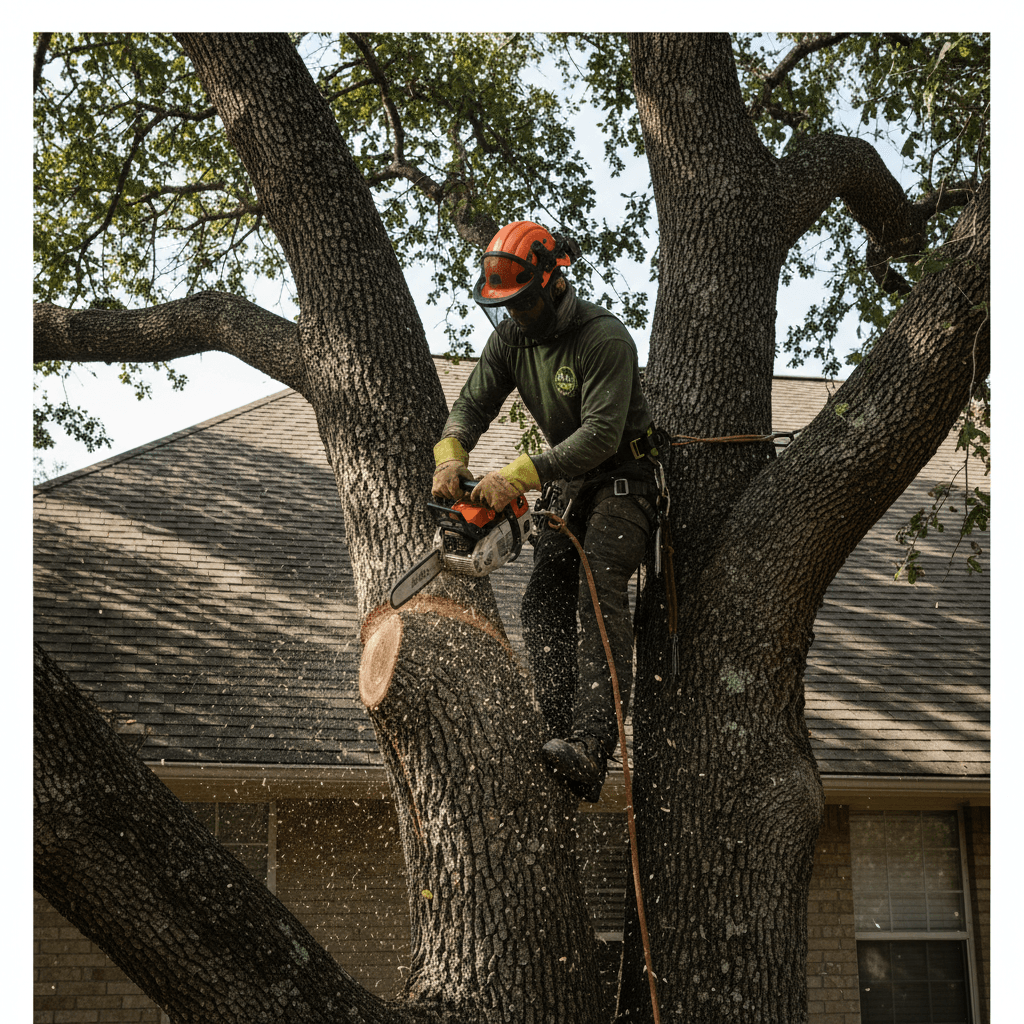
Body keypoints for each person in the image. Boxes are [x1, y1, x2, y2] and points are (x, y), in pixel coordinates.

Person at [431, 220, 663, 802]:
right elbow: (471, 402)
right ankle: (554, 728)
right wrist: (451, 452)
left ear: (555, 283)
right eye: (506, 304)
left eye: (525, 301)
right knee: (540, 606)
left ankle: (592, 744)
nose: (517, 314)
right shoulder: (511, 337)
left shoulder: (603, 338)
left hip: (623, 480)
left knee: (598, 592)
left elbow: (602, 436)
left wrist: (516, 474)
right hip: (571, 486)